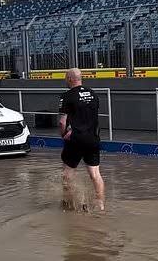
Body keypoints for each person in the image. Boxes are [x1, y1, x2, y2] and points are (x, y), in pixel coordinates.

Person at [59, 68, 105, 211]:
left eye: (66, 78)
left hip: (76, 140)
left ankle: (69, 204)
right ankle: (100, 204)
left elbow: (62, 122)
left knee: (67, 175)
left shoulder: (66, 96)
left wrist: (63, 135)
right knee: (95, 174)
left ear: (70, 79)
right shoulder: (93, 94)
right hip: (93, 138)